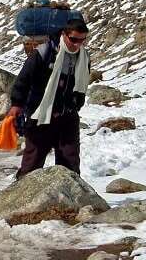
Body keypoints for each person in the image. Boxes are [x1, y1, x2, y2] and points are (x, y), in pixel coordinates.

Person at [8, 18, 91, 178]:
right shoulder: (44, 52)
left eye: (82, 40)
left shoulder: (84, 57)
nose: (77, 44)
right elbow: (24, 79)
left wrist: (75, 105)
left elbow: (81, 85)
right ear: (64, 34)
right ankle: (21, 199)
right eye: (73, 39)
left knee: (70, 164)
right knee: (32, 164)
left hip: (67, 116)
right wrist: (17, 104)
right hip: (40, 114)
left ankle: (70, 199)